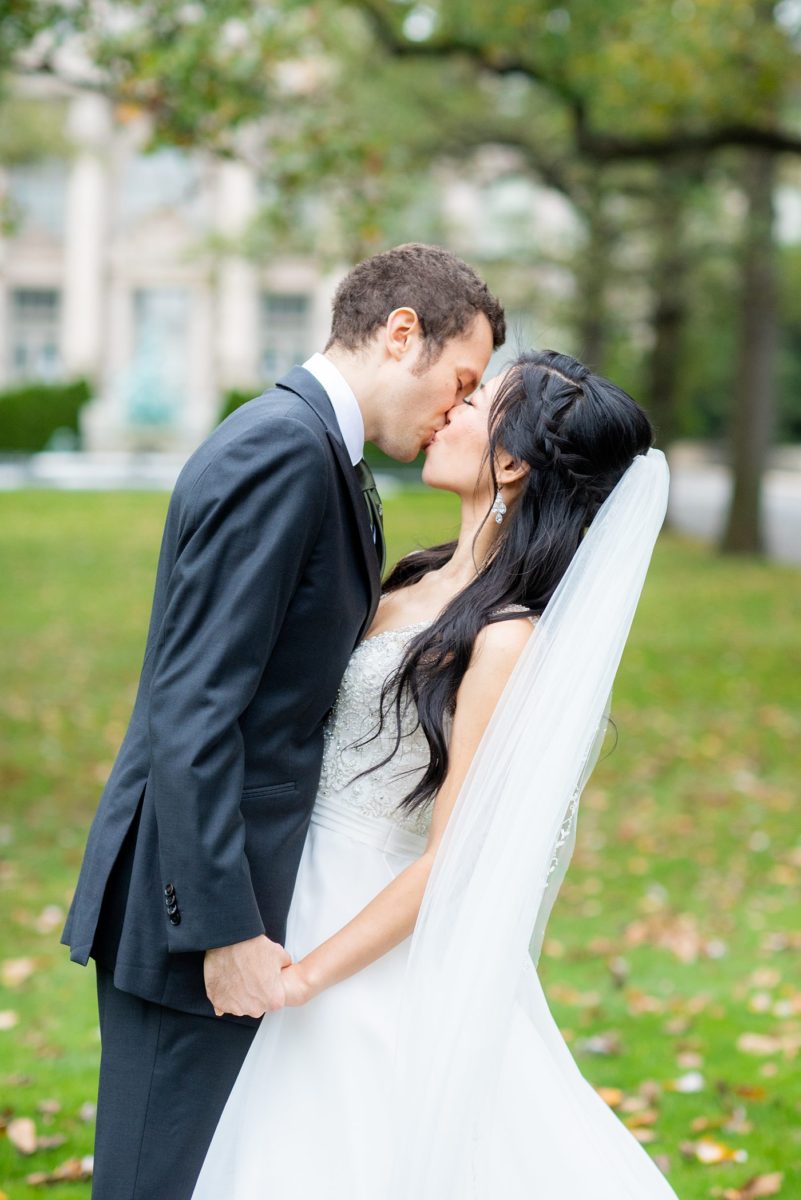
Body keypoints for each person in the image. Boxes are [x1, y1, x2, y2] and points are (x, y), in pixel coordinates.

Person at [60, 242, 505, 1199]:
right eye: (460, 379)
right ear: (400, 335)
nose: (455, 409)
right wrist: (220, 929)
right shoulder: (282, 450)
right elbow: (194, 707)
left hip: (250, 893)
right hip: (193, 909)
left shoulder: (322, 455)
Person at [191, 350, 679, 1198]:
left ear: (511, 461)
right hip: (291, 876)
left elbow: (451, 857)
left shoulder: (502, 640)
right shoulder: (411, 574)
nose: (448, 409)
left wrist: (307, 975)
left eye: (474, 400)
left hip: (363, 925)